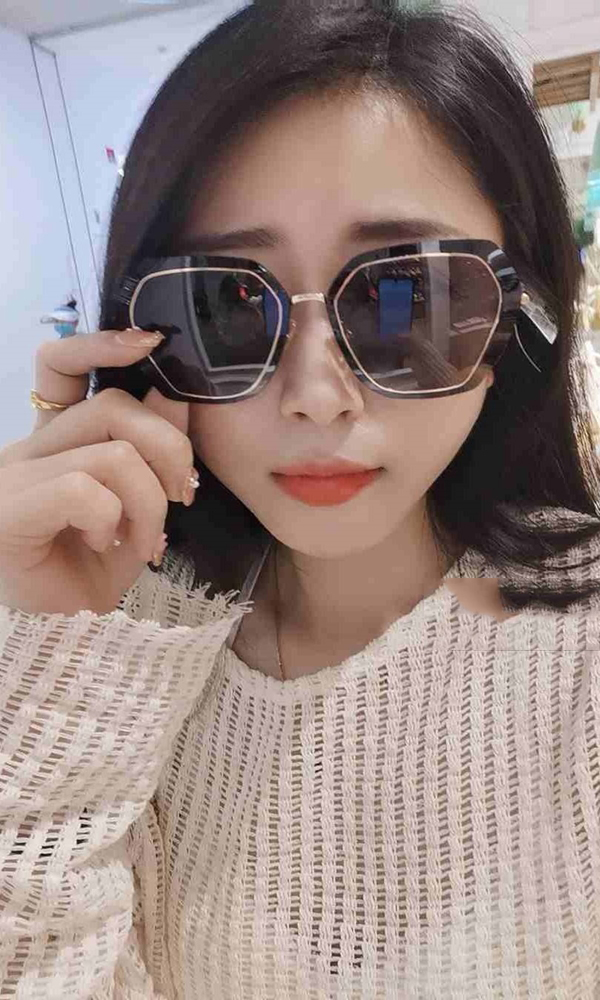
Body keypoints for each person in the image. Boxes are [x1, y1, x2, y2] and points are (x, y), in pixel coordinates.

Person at [1, 0, 600, 996]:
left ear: (518, 321)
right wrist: (58, 641)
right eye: (225, 305)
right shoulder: (107, 654)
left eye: (407, 295)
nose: (317, 396)